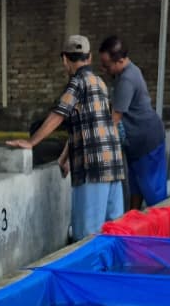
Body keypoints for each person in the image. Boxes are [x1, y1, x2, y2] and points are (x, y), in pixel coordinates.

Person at [7, 35, 125, 241]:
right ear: (89, 58)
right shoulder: (100, 83)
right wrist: (66, 156)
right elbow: (89, 126)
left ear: (64, 59)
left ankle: (86, 274)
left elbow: (58, 115)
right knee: (114, 232)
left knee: (87, 236)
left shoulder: (77, 83)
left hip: (93, 169)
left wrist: (31, 142)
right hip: (114, 165)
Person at [97, 36, 167, 210]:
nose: (104, 69)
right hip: (136, 143)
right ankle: (133, 221)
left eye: (107, 65)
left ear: (120, 61)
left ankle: (163, 232)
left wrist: (98, 146)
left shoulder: (127, 79)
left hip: (146, 141)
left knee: (154, 194)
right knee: (136, 187)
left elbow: (115, 118)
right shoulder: (124, 73)